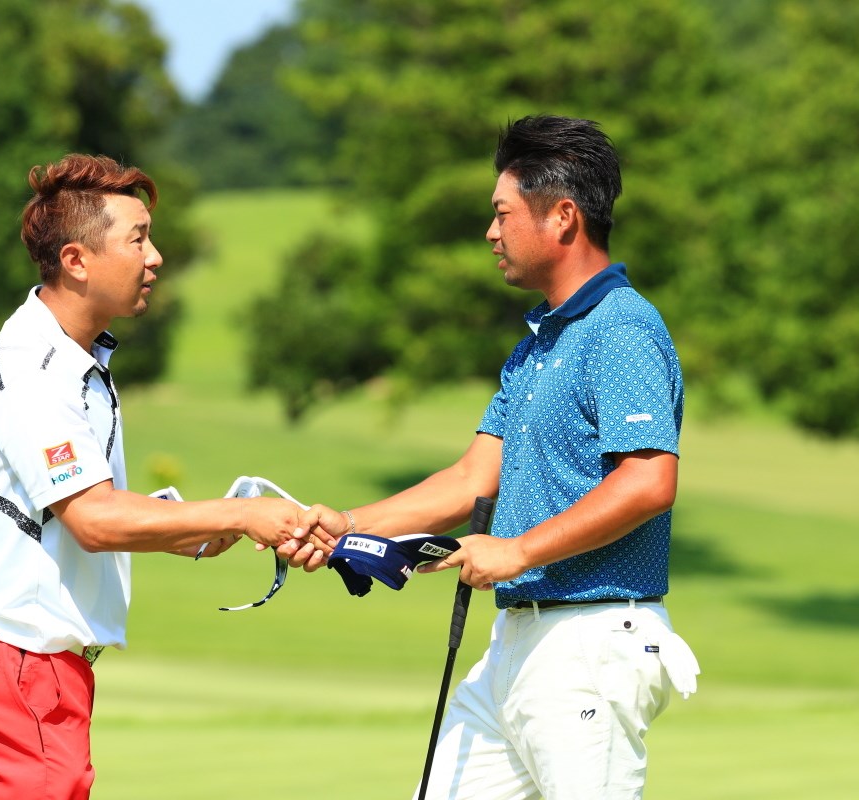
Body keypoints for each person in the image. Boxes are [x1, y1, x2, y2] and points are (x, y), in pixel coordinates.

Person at [288, 115, 696, 799]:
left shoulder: (622, 327)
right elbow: (473, 478)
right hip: (518, 641)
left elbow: (650, 480)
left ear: (563, 216)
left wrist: (518, 551)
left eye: (502, 214)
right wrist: (347, 526)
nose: (490, 233)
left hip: (593, 641)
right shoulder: (537, 345)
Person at [0, 153, 307, 800]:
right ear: (76, 260)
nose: (155, 257)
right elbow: (94, 521)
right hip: (19, 663)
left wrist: (186, 526)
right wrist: (240, 514)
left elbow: (76, 511)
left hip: (25, 665)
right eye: (138, 239)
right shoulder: (38, 371)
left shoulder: (73, 355)